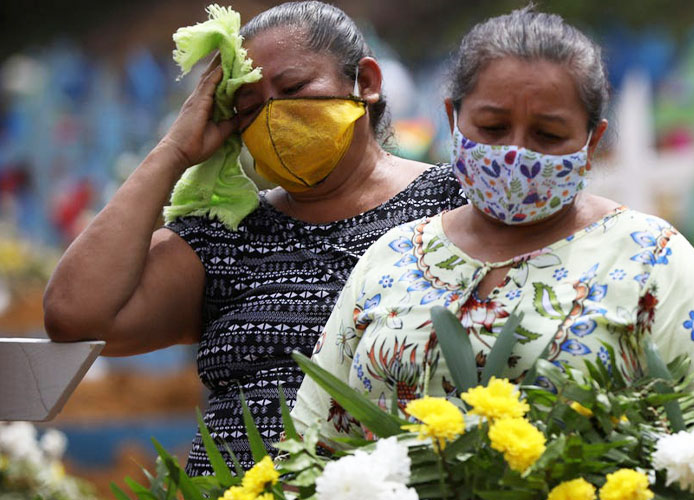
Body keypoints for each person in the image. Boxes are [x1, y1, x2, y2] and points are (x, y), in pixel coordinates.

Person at [292, 6, 694, 442]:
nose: (516, 153)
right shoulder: (393, 258)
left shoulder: (649, 258)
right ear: (452, 119)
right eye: (493, 128)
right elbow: (313, 439)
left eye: (548, 134)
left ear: (592, 140)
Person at [43, 1, 464, 474]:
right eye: (248, 108)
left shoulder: (454, 204)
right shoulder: (226, 237)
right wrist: (174, 151)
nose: (273, 116)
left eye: (293, 88)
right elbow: (73, 316)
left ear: (365, 83)